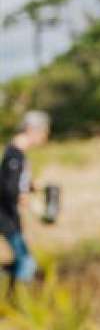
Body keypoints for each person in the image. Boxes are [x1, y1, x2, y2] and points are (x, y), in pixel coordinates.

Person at [3, 111, 50, 289]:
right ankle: (18, 303)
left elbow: (13, 182)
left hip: (11, 217)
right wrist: (22, 196)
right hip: (6, 217)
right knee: (26, 262)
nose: (44, 138)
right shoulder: (14, 155)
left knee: (22, 260)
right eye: (43, 132)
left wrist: (30, 186)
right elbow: (8, 187)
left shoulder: (17, 154)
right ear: (32, 130)